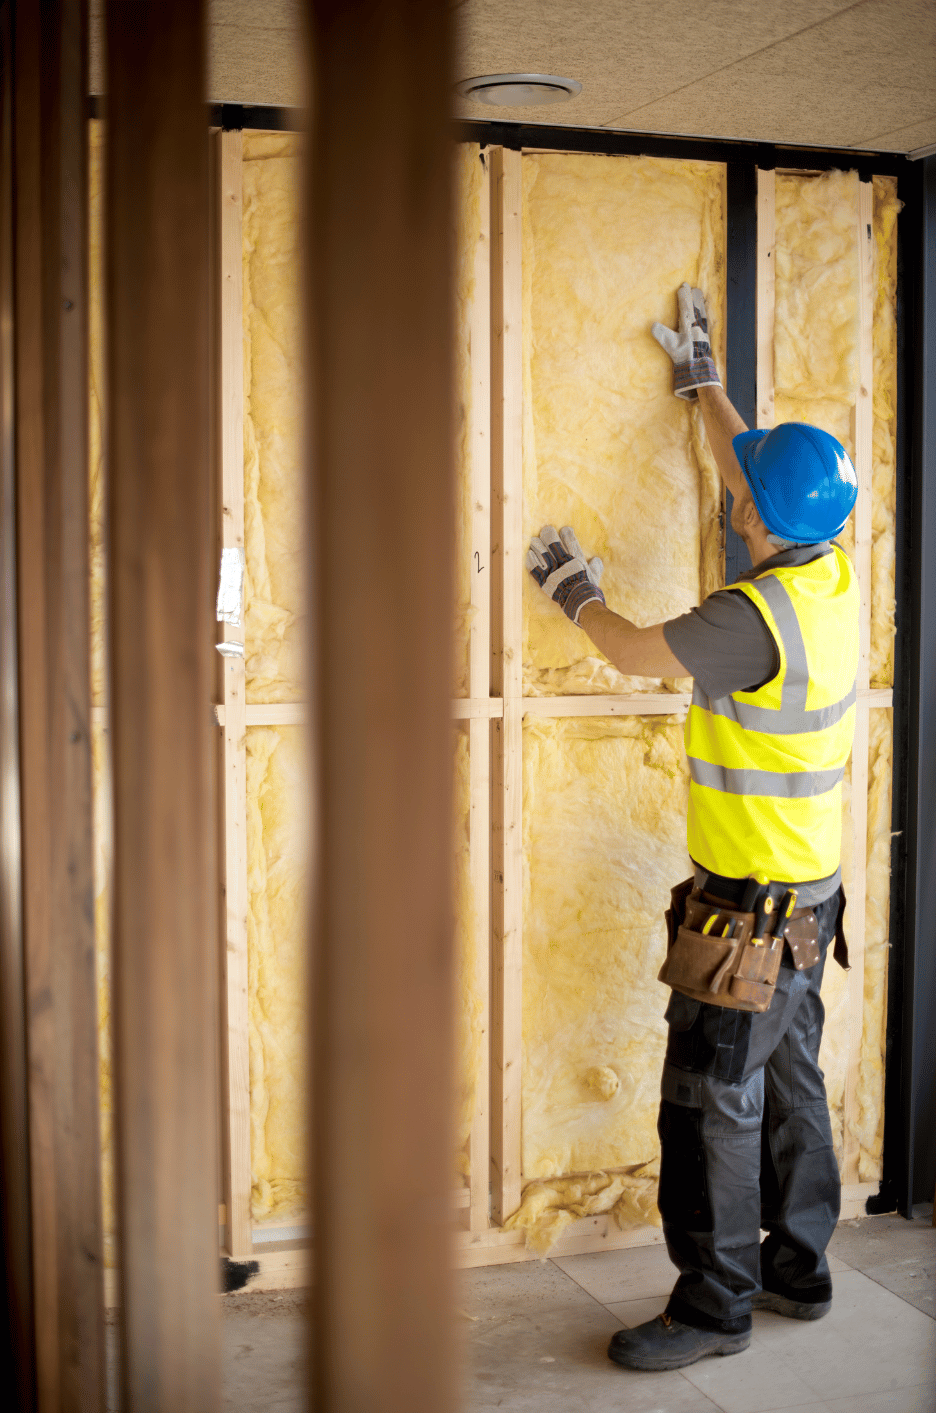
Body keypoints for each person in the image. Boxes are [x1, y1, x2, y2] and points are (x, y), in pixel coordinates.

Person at [526, 283, 859, 1373]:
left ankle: (714, 1307)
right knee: (793, 1085)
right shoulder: (830, 572)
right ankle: (801, 1268)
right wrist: (704, 382)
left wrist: (574, 590)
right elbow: (753, 471)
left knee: (711, 1107)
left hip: (745, 918)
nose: (733, 495)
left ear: (758, 521)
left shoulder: (746, 622)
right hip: (809, 903)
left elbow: (628, 651)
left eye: (744, 496)